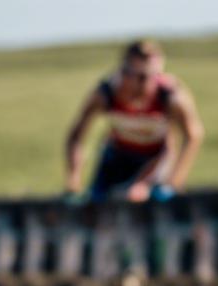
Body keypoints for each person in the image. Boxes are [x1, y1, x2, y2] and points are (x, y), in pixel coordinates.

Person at [64, 40, 204, 202]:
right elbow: (76, 135)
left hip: (156, 157)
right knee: (96, 201)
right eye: (141, 77)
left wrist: (174, 181)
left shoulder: (170, 96)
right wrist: (73, 180)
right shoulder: (106, 93)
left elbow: (193, 135)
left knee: (155, 198)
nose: (147, 83)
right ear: (124, 72)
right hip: (117, 154)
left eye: (154, 75)